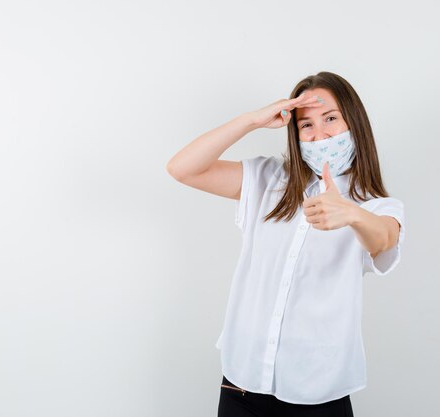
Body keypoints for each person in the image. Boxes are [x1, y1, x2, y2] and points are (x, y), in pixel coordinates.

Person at [166, 71, 406, 417]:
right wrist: (251, 121)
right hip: (243, 382)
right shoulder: (268, 181)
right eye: (306, 125)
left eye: (330, 119)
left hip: (318, 392)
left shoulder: (376, 205)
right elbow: (182, 169)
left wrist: (352, 214)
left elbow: (384, 239)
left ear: (354, 122)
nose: (319, 134)